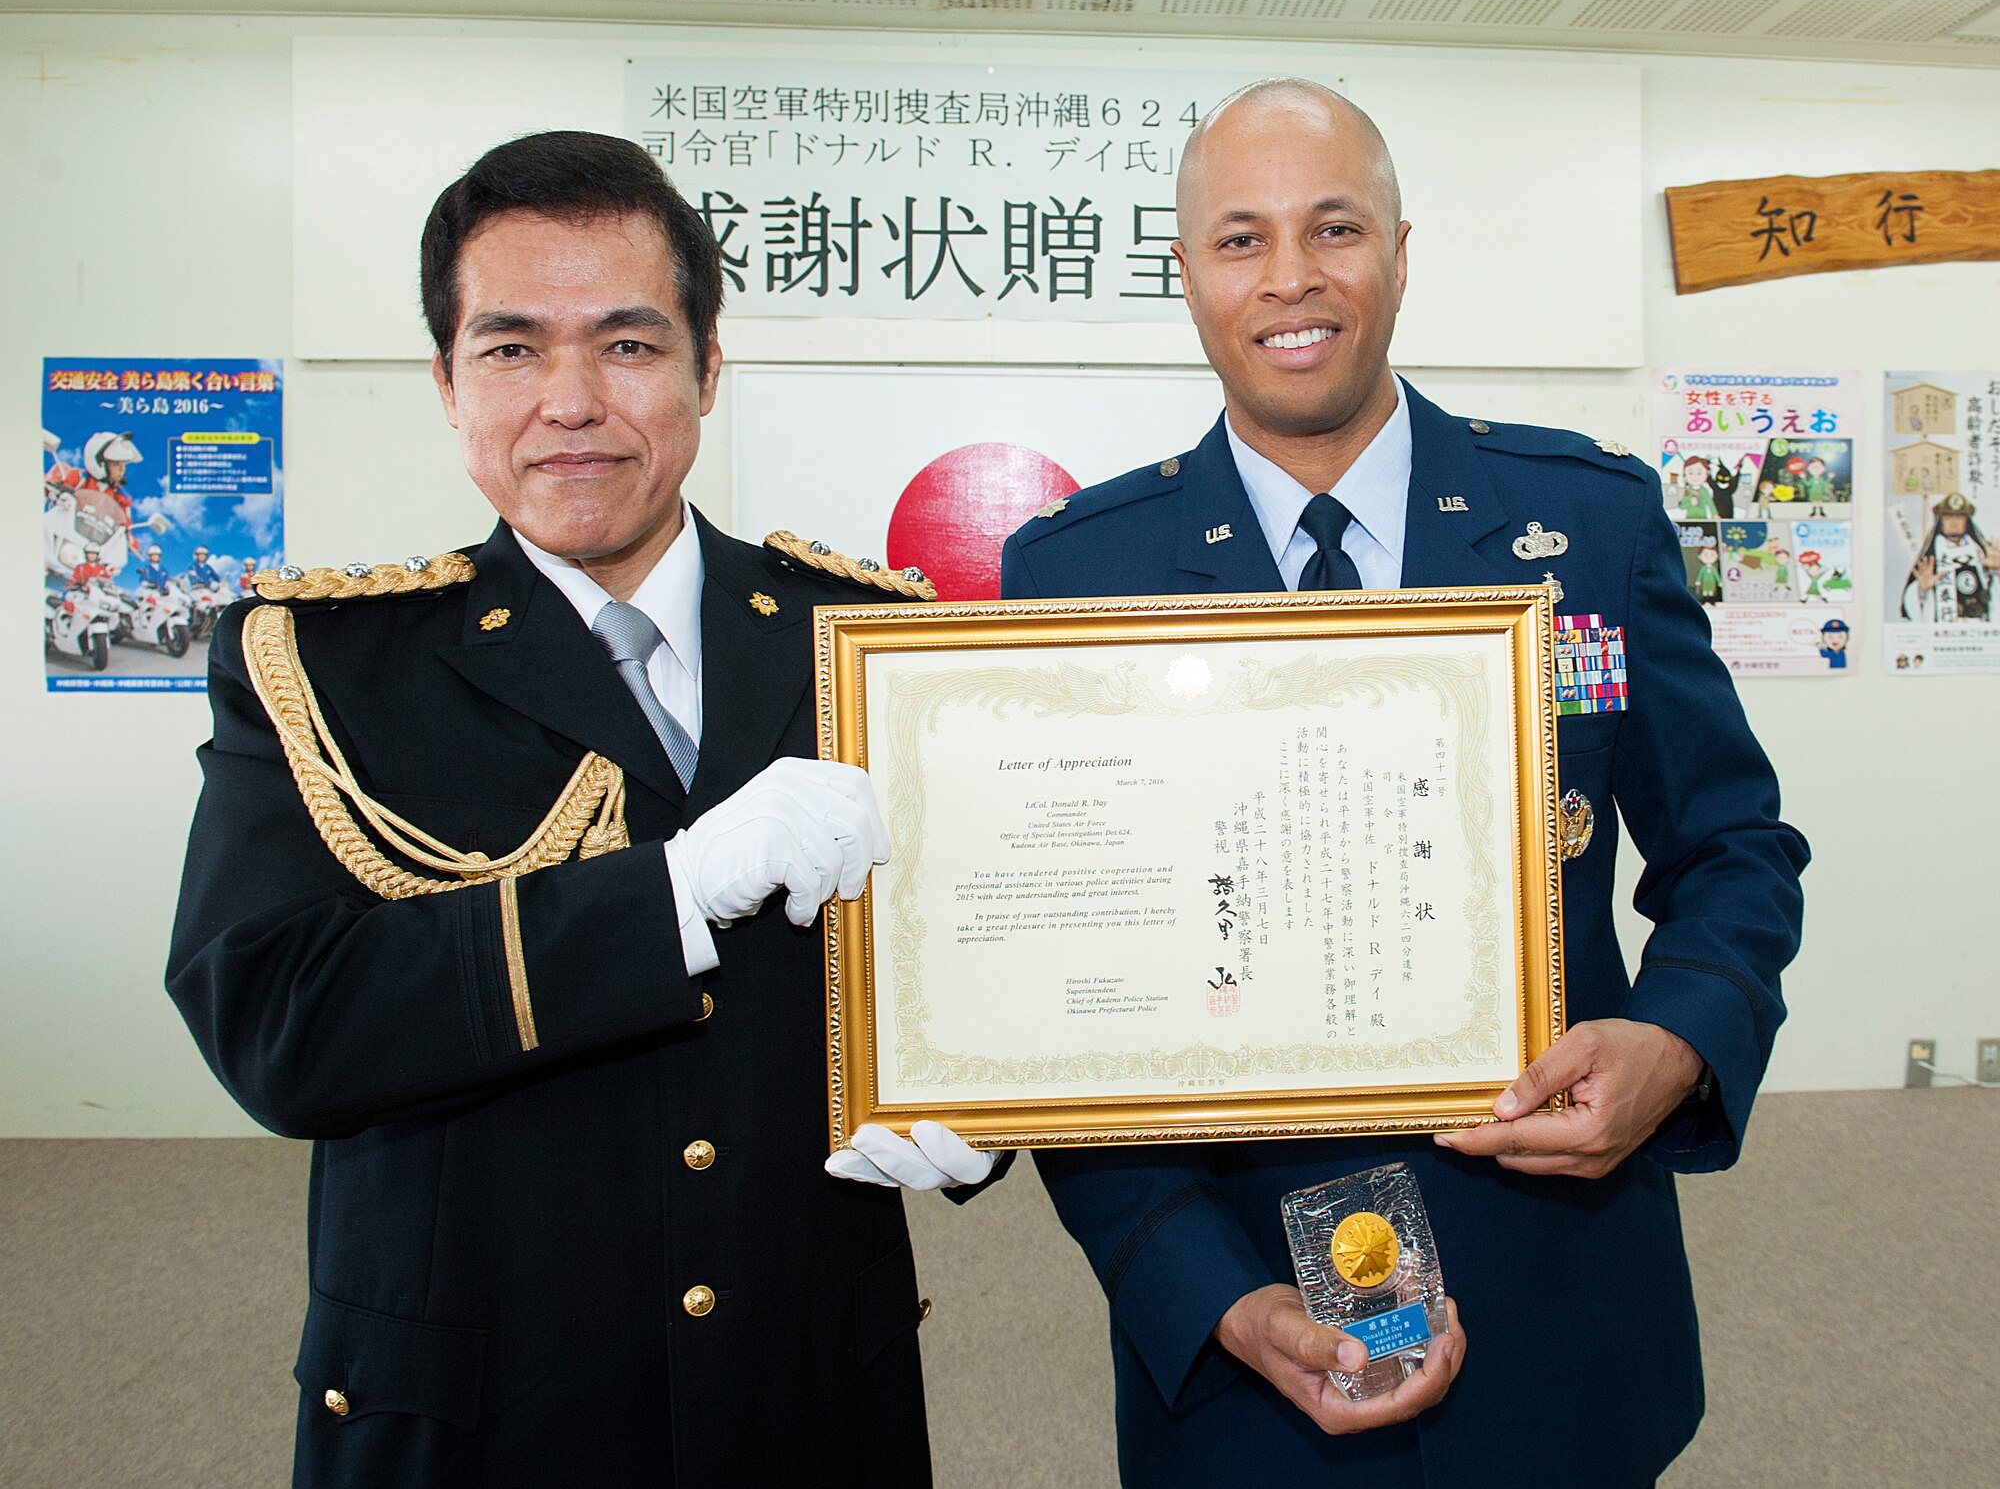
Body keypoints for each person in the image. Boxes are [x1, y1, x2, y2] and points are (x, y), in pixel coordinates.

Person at [1000, 79, 1808, 1489]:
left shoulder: (1590, 523)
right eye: (1240, 240)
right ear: (1185, 272)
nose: (1292, 279)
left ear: (1402, 247)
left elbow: (1734, 844)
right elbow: (1073, 1013)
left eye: (1335, 228)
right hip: (1244, 1301)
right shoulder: (1080, 572)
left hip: (1555, 1279)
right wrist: (1205, 1288)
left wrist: (1675, 1041)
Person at [166, 130, 999, 1489]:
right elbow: (279, 1022)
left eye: (626, 344)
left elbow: (969, 943)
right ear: (445, 381)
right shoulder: (325, 664)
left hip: (805, 1387)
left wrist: (994, 1093)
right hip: (481, 1404)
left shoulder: (865, 643)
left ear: (707, 366)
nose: (569, 399)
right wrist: (665, 894)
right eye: (510, 348)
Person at [1901, 490, 1999, 622]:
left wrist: (1998, 570)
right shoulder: (1931, 558)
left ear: (1967, 521)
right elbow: (1913, 604)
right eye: (1948, 518)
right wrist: (1921, 590)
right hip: (1945, 632)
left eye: (1959, 518)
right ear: (1940, 522)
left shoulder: (1982, 554)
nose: (1954, 523)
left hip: (1980, 629)